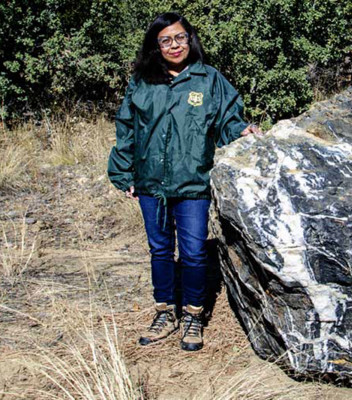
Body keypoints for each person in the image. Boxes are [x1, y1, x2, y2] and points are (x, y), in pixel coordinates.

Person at [107, 12, 262, 351]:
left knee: (193, 254)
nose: (174, 45)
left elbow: (228, 120)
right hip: (151, 184)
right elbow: (127, 128)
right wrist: (123, 173)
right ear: (156, 46)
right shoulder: (142, 80)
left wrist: (243, 131)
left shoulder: (209, 79)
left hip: (193, 185)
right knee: (160, 251)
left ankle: (193, 316)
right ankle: (165, 312)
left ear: (190, 39)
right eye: (165, 40)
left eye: (180, 38)